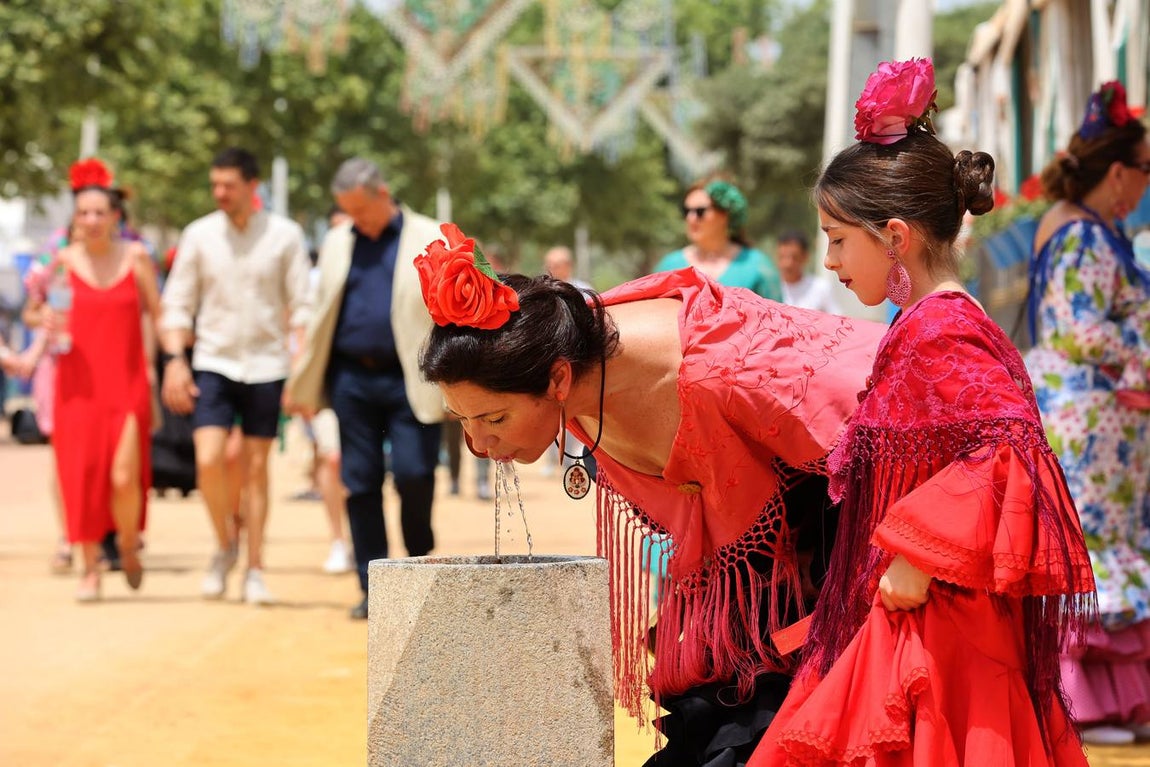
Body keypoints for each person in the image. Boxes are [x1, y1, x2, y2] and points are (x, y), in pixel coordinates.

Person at [415, 222, 885, 765]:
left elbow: (885, 411)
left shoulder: (718, 368)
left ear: (559, 382)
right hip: (755, 618)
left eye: (494, 418)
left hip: (846, 589)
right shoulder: (573, 360)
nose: (478, 444)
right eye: (461, 422)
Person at [751, 59, 1095, 766]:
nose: (829, 262)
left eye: (839, 238)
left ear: (897, 236)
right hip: (918, 620)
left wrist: (913, 554)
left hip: (937, 630)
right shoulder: (925, 323)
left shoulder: (943, 327)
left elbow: (1010, 449)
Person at [1023, 80, 1150, 747]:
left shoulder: (1092, 228)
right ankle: (1086, 704)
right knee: (1092, 551)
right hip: (1088, 418)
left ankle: (1111, 703)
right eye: (1147, 167)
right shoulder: (1082, 234)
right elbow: (1080, 327)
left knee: (1102, 548)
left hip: (1103, 421)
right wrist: (1143, 347)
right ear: (1121, 172)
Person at [284, 157, 445, 621]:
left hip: (411, 376)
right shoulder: (337, 240)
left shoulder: (431, 236)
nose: (356, 220)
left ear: (383, 193)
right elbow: (320, 313)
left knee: (415, 473)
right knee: (360, 481)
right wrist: (305, 379)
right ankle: (372, 585)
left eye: (361, 209)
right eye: (347, 211)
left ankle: (420, 567)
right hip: (351, 378)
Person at [160, 147, 311, 606]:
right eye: (215, 185)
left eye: (228, 185)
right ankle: (225, 543)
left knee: (257, 468)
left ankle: (255, 567)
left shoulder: (285, 236)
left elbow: (302, 304)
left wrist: (300, 364)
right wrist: (174, 359)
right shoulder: (199, 235)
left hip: (267, 365)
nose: (219, 193)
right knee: (208, 460)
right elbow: (178, 303)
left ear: (252, 185)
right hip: (213, 361)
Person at [24, 157, 162, 601]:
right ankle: (89, 566)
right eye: (83, 213)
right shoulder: (60, 262)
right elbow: (34, 308)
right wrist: (41, 315)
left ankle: (125, 543)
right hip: (75, 384)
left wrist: (158, 371)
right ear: (75, 219)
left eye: (100, 212)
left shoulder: (137, 257)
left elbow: (157, 317)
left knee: (124, 477)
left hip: (127, 381)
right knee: (79, 475)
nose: (91, 220)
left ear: (115, 215)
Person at [652, 179, 783, 301]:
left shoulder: (757, 266)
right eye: (686, 211)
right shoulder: (669, 266)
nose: (691, 218)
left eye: (700, 211)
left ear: (725, 215)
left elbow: (779, 321)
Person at [774, 231, 842, 314]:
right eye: (782, 257)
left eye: (794, 257)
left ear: (805, 257)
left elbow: (836, 319)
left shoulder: (820, 288)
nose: (788, 264)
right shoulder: (769, 288)